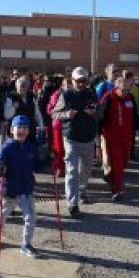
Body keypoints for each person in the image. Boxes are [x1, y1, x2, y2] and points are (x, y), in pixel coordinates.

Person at [0, 115, 40, 257]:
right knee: (2, 216)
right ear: (12, 130)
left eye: (25, 128)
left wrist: (48, 160)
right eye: (19, 128)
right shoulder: (6, 148)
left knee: (31, 217)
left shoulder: (31, 147)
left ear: (28, 131)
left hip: (26, 189)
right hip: (10, 190)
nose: (22, 131)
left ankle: (26, 244)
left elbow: (37, 166)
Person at [53, 67, 100, 218]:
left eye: (84, 81)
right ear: (72, 81)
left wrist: (95, 113)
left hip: (88, 138)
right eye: (78, 81)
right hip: (71, 138)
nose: (81, 84)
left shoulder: (91, 94)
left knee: (86, 169)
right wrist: (67, 114)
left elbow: (101, 111)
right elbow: (54, 113)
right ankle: (72, 204)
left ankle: (82, 191)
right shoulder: (66, 95)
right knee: (72, 171)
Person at [100, 76, 139, 200]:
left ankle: (111, 177)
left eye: (127, 90)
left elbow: (135, 115)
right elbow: (101, 116)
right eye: (123, 90)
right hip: (111, 136)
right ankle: (117, 189)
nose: (125, 93)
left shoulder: (130, 98)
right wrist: (97, 134)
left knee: (124, 161)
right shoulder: (108, 98)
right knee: (116, 163)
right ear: (116, 88)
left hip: (127, 136)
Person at [4, 76, 44, 143]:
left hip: (30, 130)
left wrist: (41, 125)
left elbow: (37, 113)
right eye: (20, 87)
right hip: (17, 132)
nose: (22, 89)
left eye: (24, 86)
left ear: (27, 87)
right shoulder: (11, 97)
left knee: (31, 151)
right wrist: (13, 107)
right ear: (16, 87)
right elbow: (7, 115)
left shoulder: (31, 97)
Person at [47, 76, 72, 177]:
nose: (69, 86)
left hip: (70, 125)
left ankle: (67, 168)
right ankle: (59, 167)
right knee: (59, 148)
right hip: (58, 125)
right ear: (62, 85)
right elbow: (50, 110)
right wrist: (62, 114)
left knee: (69, 149)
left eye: (70, 84)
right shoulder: (56, 95)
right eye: (67, 84)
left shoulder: (73, 95)